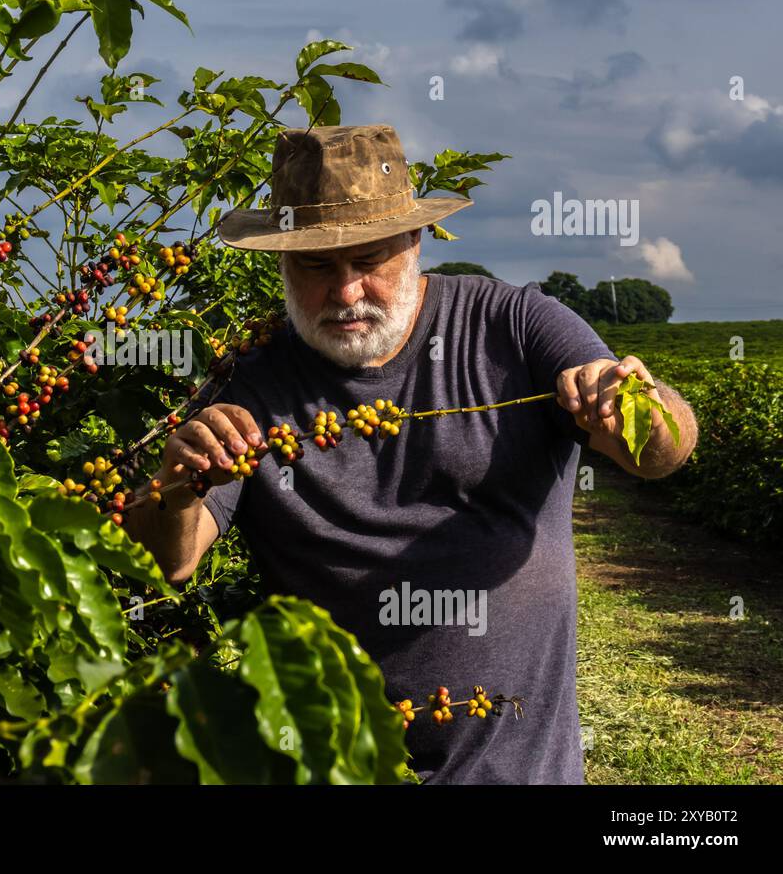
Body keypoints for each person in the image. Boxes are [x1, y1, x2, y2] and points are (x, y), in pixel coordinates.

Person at [122, 124, 698, 783]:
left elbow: (662, 454)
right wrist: (176, 481)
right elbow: (172, 558)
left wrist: (635, 409)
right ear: (281, 261)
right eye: (315, 266)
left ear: (414, 242)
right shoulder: (252, 379)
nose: (345, 293)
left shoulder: (514, 326)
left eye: (369, 260)